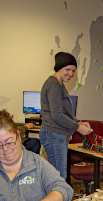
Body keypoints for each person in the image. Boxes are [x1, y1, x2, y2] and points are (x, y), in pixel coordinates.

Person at [39, 52, 92, 180]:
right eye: (67, 69)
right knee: (59, 178)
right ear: (59, 68)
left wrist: (78, 122)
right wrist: (78, 128)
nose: (71, 73)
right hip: (54, 134)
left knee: (57, 176)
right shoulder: (54, 85)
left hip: (55, 134)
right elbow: (57, 116)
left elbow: (62, 112)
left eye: (73, 70)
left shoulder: (58, 83)